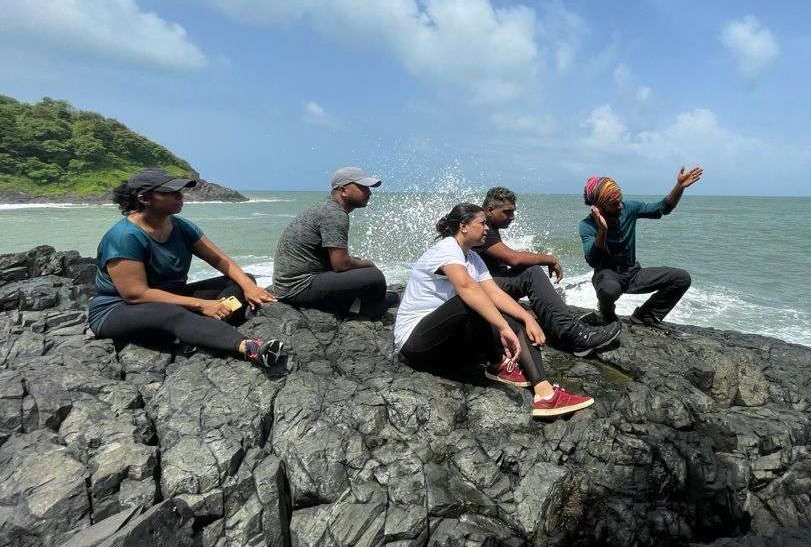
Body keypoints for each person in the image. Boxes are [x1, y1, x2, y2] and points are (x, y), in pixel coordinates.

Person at [395, 203, 594, 418]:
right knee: (471, 302)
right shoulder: (447, 248)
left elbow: (495, 293)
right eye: (481, 223)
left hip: (445, 345)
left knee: (515, 321)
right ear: (464, 226)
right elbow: (467, 287)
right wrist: (501, 327)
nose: (487, 229)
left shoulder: (473, 258)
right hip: (415, 343)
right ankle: (498, 362)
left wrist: (527, 318)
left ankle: (545, 394)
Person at [87, 169, 283, 366]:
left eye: (180, 191)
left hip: (173, 297)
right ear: (144, 198)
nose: (180, 196)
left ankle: (196, 331)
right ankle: (249, 347)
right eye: (171, 193)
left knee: (242, 279)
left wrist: (249, 287)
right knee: (171, 314)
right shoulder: (124, 237)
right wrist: (200, 304)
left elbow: (219, 260)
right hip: (119, 309)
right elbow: (136, 294)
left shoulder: (181, 226)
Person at [473, 186, 620, 357]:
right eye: (507, 212)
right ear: (490, 210)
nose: (512, 217)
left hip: (485, 285)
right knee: (531, 273)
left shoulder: (483, 222)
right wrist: (549, 258)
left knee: (525, 272)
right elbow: (513, 258)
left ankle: (561, 323)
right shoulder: (480, 226)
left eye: (513, 212)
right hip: (479, 290)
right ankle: (576, 336)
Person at [579, 166, 703, 328]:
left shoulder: (629, 208)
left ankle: (645, 316)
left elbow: (662, 208)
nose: (620, 206)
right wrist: (602, 230)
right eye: (615, 204)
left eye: (620, 201)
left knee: (681, 278)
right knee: (609, 290)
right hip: (608, 276)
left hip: (633, 273)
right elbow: (593, 260)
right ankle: (606, 314)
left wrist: (679, 187)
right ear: (599, 206)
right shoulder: (587, 225)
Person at [271, 166, 398, 319]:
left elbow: (335, 260)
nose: (369, 193)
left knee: (360, 269)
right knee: (374, 276)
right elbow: (340, 265)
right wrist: (367, 263)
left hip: (288, 286)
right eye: (363, 188)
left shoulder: (327, 208)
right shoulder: (335, 214)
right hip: (297, 288)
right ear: (343, 191)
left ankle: (355, 304)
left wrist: (356, 263)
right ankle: (371, 310)